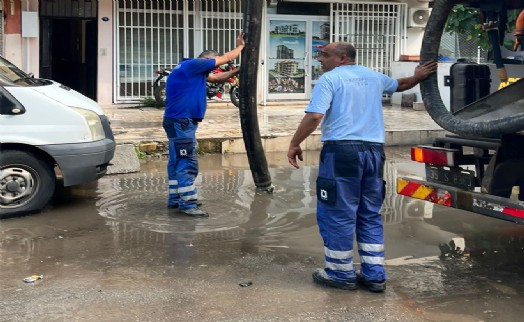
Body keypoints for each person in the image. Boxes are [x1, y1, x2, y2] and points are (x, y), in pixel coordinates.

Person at [287, 42, 437, 292]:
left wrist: (294, 143)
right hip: (373, 153)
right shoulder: (374, 77)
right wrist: (418, 76)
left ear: (342, 58)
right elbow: (400, 85)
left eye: (325, 55)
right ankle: (374, 274)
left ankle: (340, 273)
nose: (320, 60)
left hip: (342, 153)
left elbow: (314, 116)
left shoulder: (330, 79)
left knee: (338, 212)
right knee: (368, 212)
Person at [163, 33, 245, 218]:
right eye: (214, 65)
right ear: (207, 60)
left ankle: (176, 199)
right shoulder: (195, 64)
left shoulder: (190, 70)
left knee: (176, 159)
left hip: (178, 120)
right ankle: (188, 204)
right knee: (187, 161)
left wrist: (237, 71)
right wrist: (240, 47)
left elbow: (216, 79)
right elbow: (225, 58)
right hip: (182, 121)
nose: (216, 68)